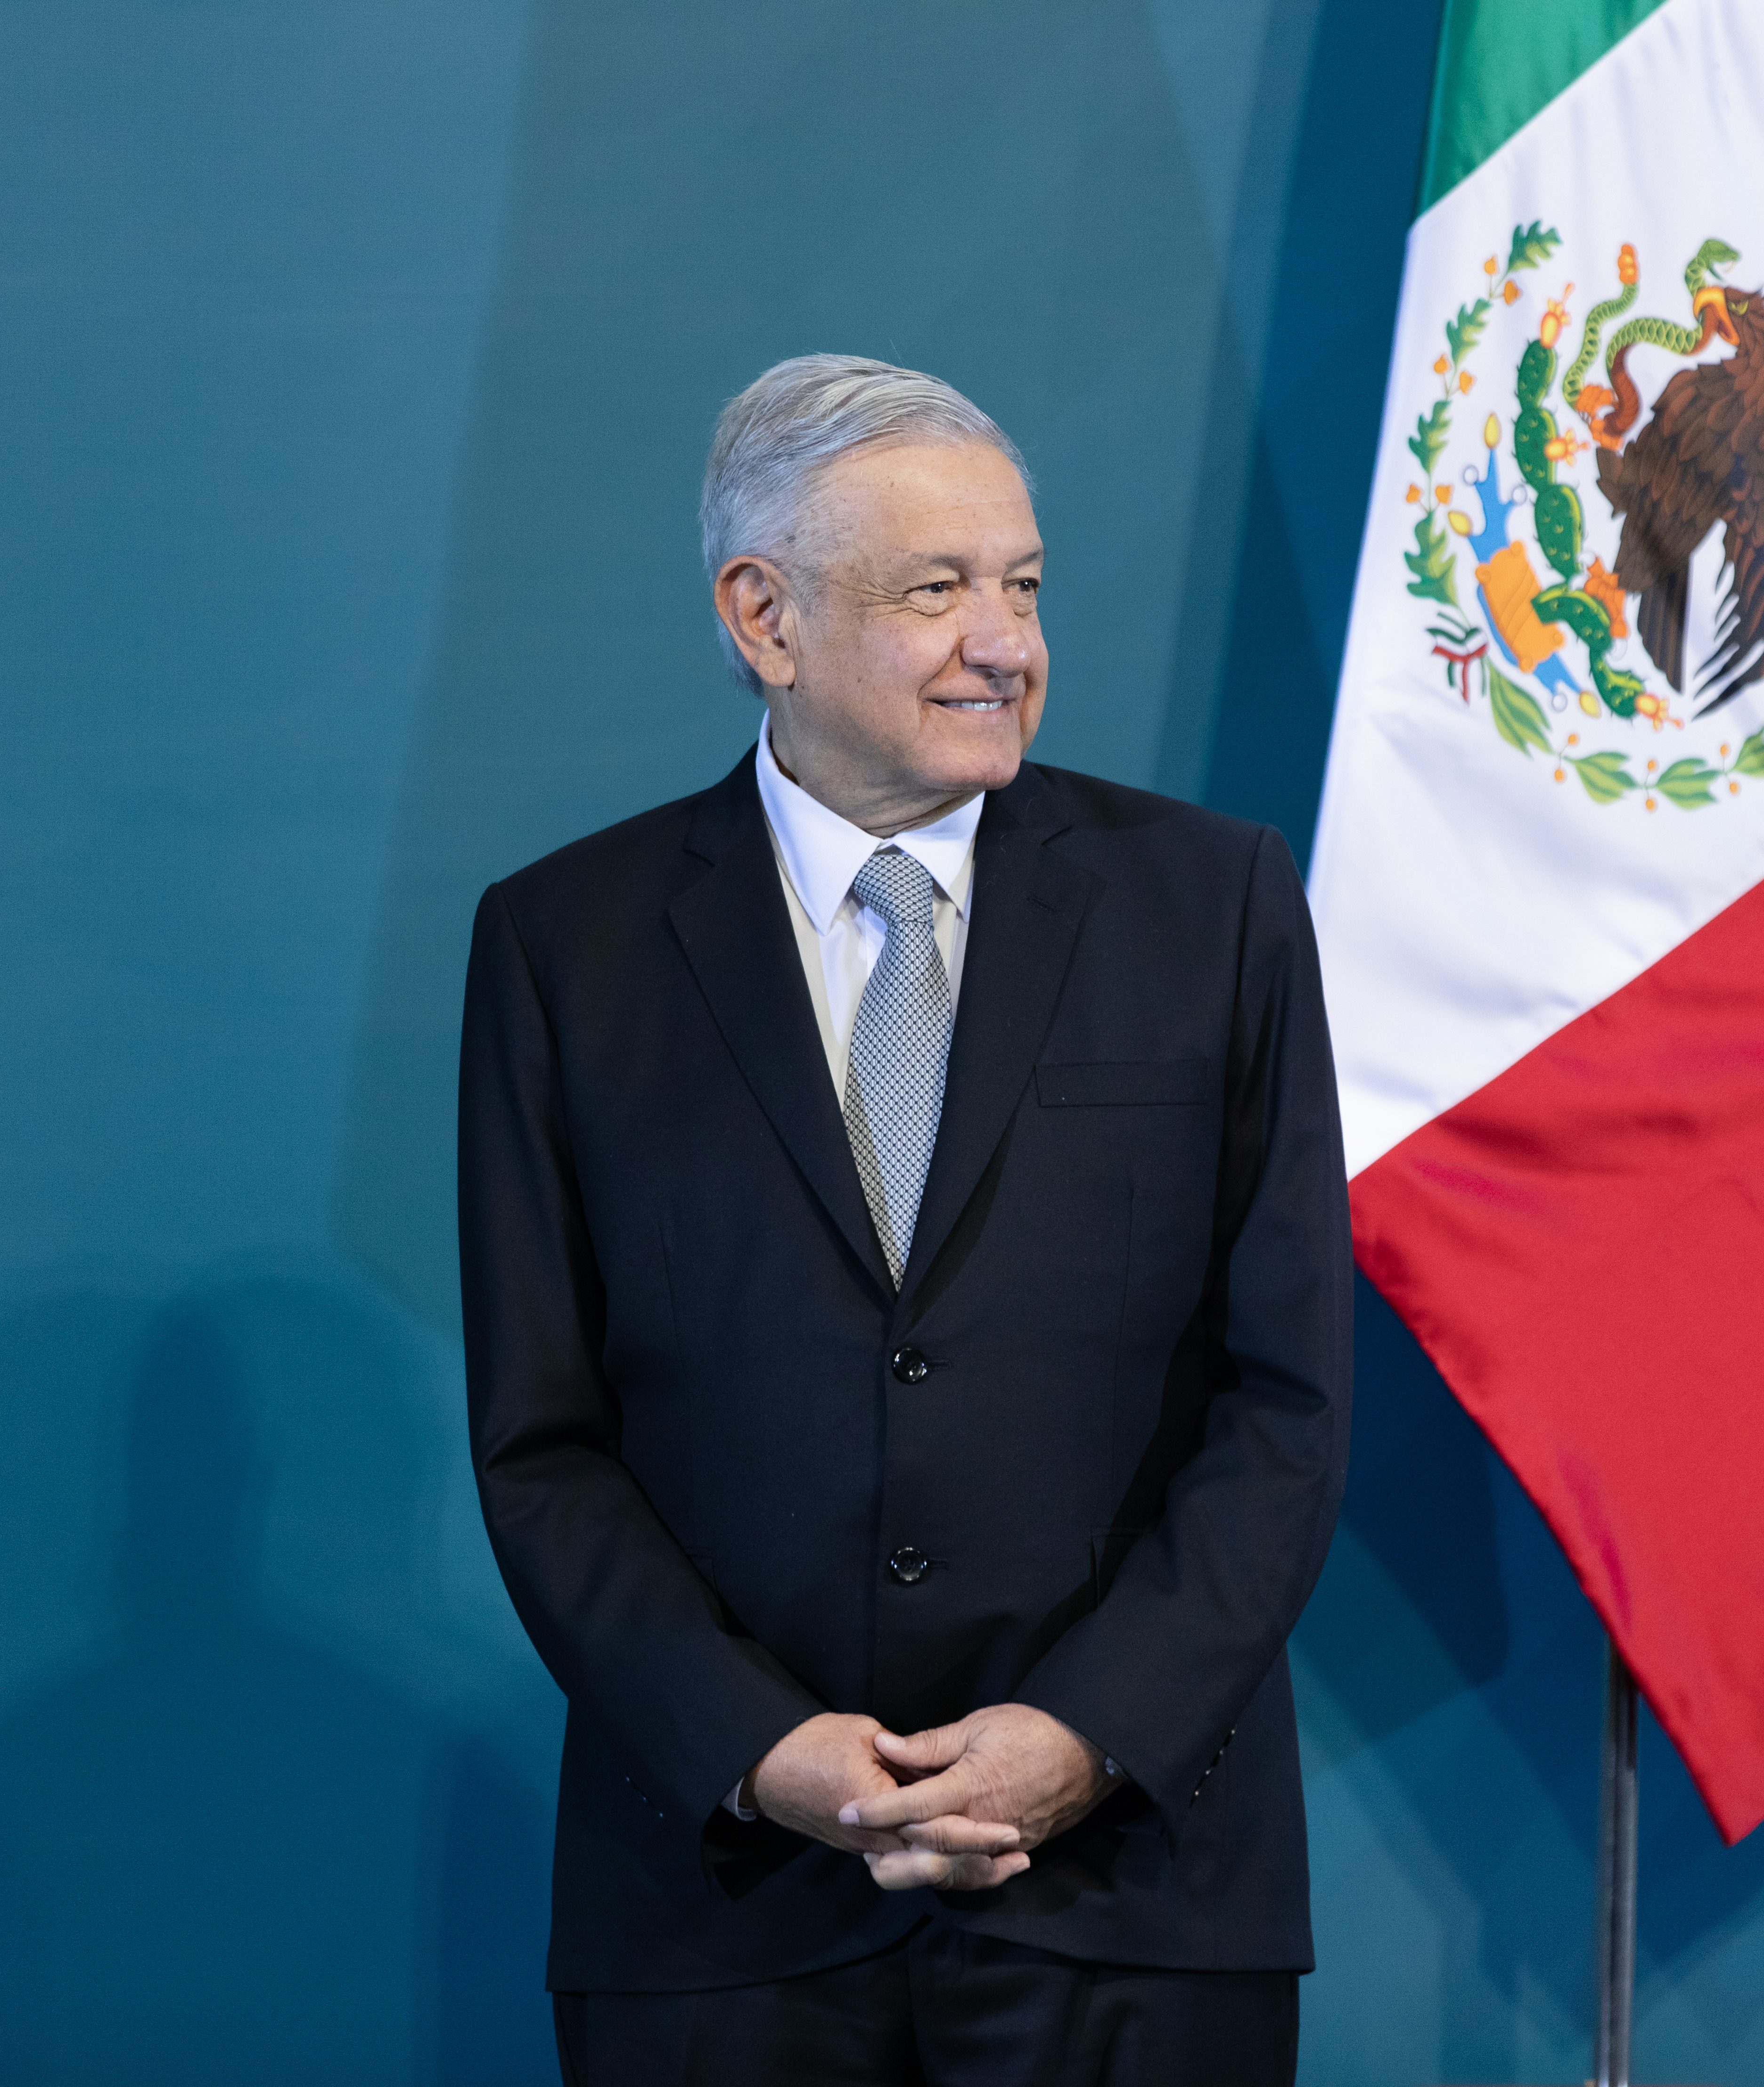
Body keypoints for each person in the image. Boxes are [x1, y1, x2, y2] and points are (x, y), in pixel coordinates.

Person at [457, 354, 1352, 2085]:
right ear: (765, 618)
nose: (1004, 639)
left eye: (1020, 584)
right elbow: (542, 1447)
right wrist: (767, 1750)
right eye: (936, 589)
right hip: (721, 1913)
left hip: (1133, 1904)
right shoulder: (567, 949)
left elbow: (1289, 1405)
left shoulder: (1213, 905)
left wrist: (1087, 1733)